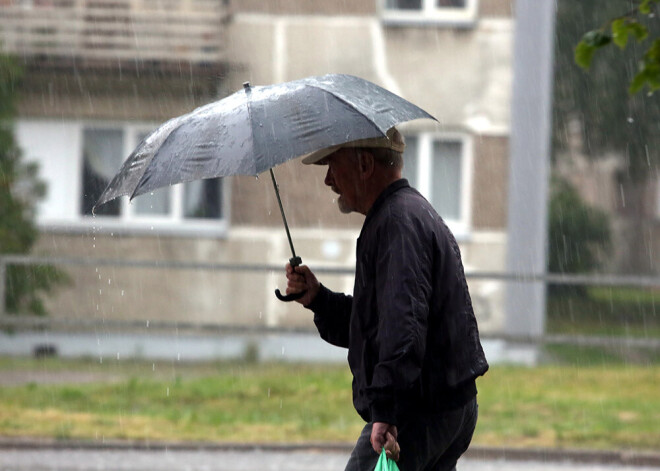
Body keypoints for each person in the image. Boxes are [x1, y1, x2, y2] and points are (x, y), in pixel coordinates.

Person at [285, 127, 489, 471]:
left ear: (365, 164)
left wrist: (387, 411)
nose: (328, 180)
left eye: (333, 165)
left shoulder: (397, 223)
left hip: (419, 411)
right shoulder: (406, 213)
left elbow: (402, 327)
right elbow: (377, 324)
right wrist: (318, 299)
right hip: (445, 405)